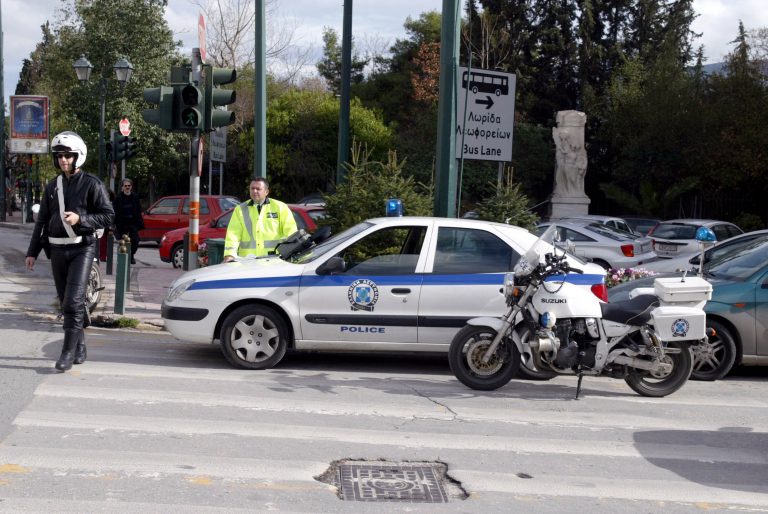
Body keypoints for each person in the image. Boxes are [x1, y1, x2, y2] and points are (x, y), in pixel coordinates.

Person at [25, 131, 114, 372]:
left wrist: (80, 219)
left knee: (74, 301)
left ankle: (66, 352)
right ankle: (80, 346)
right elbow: (42, 221)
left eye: (68, 155)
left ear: (77, 156)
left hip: (82, 248)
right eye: (60, 156)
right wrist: (32, 252)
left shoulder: (92, 184)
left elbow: (108, 215)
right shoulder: (52, 187)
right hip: (56, 249)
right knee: (67, 303)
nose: (63, 160)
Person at [223, 177, 297, 262]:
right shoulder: (239, 209)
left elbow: (291, 232)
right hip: (247, 261)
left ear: (266, 192)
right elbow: (233, 234)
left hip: (274, 261)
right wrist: (229, 254)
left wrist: (291, 254)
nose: (254, 191)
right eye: (252, 188)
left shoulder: (280, 207)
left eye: (258, 189)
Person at [113, 178, 144, 264]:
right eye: (125, 186)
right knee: (122, 241)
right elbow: (114, 211)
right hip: (122, 223)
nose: (127, 187)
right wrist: (114, 223)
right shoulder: (118, 198)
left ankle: (131, 255)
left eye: (129, 186)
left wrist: (140, 221)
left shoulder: (135, 197)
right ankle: (122, 258)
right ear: (122, 187)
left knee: (135, 240)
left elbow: (138, 209)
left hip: (133, 222)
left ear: (131, 187)